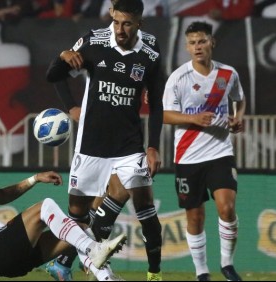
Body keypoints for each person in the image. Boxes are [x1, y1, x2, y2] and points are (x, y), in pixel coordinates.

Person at [45, 0, 164, 280]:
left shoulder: (151, 50)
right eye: (117, 22)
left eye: (127, 24)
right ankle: (64, 264)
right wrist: (62, 60)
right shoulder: (93, 41)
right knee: (78, 214)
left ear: (139, 23)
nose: (120, 29)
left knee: (143, 203)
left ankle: (154, 274)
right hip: (91, 145)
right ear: (112, 15)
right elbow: (53, 75)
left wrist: (153, 146)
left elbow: (156, 103)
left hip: (129, 146)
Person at [0, 138, 127, 281]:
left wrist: (35, 179)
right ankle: (93, 248)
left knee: (80, 228)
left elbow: (2, 196)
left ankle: (106, 278)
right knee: (44, 207)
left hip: (15, 262)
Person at [162, 21, 246, 281]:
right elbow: (164, 115)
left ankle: (227, 265)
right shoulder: (178, 78)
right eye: (193, 43)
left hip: (220, 152)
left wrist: (238, 118)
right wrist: (194, 119)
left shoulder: (228, 74)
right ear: (187, 47)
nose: (197, 47)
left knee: (226, 207)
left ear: (212, 43)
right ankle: (201, 272)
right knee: (195, 217)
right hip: (188, 156)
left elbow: (239, 100)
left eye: (202, 41)